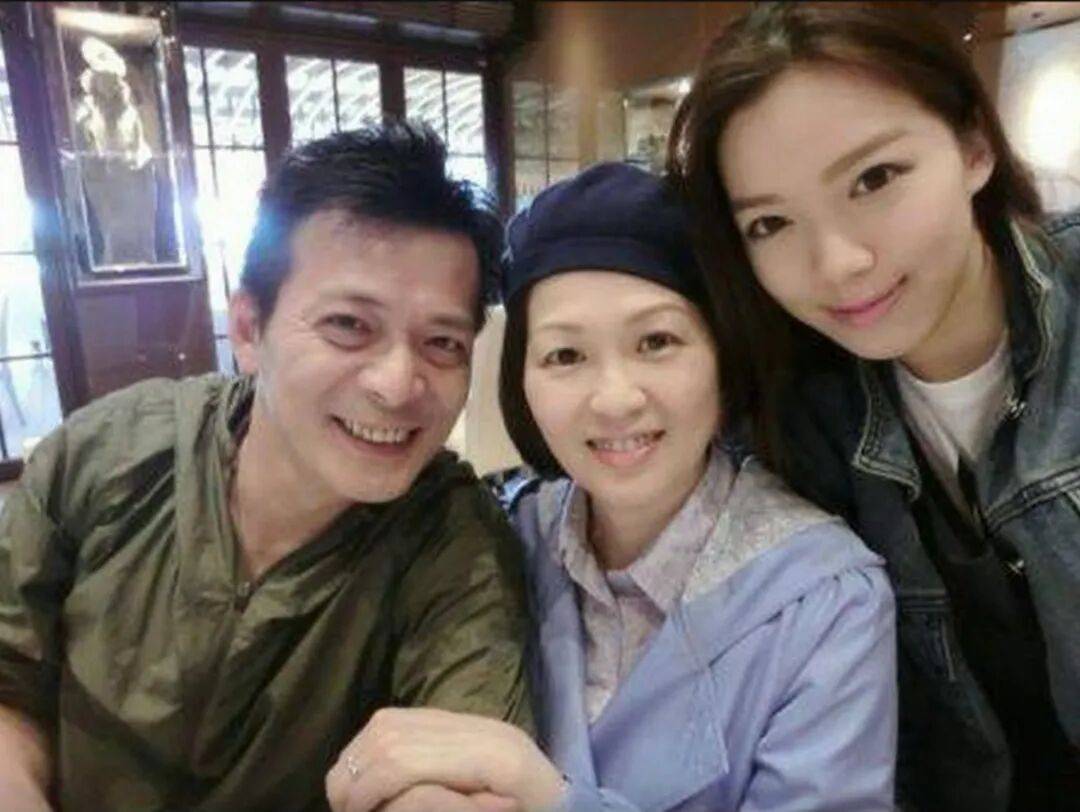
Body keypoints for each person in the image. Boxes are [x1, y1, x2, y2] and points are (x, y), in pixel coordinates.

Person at [324, 162, 897, 812]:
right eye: (565, 356)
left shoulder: (824, 601)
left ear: (723, 356)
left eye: (656, 341)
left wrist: (548, 797)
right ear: (522, 381)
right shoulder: (505, 542)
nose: (615, 399)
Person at [0, 123, 533, 812]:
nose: (398, 384)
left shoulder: (455, 543)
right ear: (249, 330)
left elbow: (462, 772)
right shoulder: (108, 453)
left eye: (442, 342)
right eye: (349, 325)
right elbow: (10, 682)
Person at [666, 3, 1080, 810]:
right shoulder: (795, 426)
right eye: (771, 222)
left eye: (875, 179)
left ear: (974, 146)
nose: (839, 264)